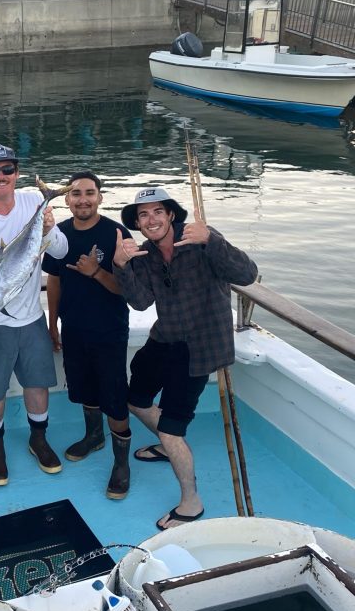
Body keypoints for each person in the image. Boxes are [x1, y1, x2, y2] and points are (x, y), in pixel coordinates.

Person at [113, 187, 258, 530]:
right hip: (166, 338)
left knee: (172, 426)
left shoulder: (201, 239)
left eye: (157, 212)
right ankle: (168, 444)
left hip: (201, 346)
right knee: (134, 399)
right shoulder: (146, 254)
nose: (151, 220)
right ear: (137, 222)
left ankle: (191, 501)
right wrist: (121, 266)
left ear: (171, 215)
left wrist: (212, 240)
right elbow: (141, 302)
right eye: (143, 215)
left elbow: (247, 275)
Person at [0, 145, 68, 486]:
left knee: (38, 383)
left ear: (16, 173)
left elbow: (61, 251)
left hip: (32, 317)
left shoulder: (34, 205)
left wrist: (48, 228)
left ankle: (38, 438)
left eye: (7, 169)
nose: (0, 177)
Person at [43, 170, 134, 499]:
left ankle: (121, 464)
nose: (83, 199)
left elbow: (127, 290)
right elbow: (54, 281)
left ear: (100, 197)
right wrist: (52, 323)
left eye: (89, 193)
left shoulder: (116, 234)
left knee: (113, 395)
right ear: (66, 199)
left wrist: (96, 271)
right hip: (74, 327)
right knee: (83, 388)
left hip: (109, 330)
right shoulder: (59, 234)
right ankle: (94, 436)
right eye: (76, 193)